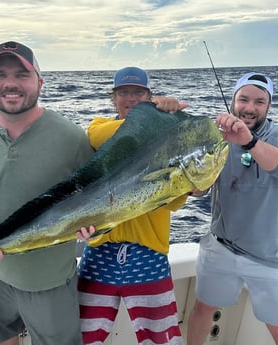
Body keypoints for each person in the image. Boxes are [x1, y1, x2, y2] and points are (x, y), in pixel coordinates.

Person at [0, 41, 94, 345]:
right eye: (0, 74)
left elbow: (100, 201)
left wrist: (95, 228)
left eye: (22, 75)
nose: (10, 83)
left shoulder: (72, 138)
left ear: (40, 81)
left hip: (50, 282)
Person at [77, 66, 196, 345]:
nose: (130, 99)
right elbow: (96, 137)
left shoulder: (166, 141)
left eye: (138, 93)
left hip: (149, 255)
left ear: (148, 94)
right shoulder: (99, 128)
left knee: (162, 339)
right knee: (84, 337)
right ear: (113, 98)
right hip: (100, 254)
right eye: (123, 93)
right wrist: (153, 115)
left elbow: (178, 196)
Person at [187, 72, 278, 345]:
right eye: (243, 99)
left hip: (270, 254)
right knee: (203, 309)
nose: (249, 107)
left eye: (259, 101)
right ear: (233, 101)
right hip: (220, 246)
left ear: (269, 106)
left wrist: (249, 141)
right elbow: (198, 189)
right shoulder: (217, 138)